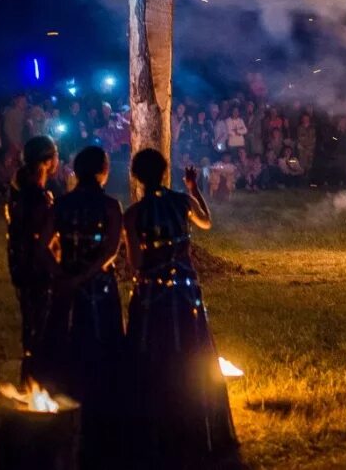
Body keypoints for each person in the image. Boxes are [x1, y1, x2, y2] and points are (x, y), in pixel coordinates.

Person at [123, 150, 237, 466]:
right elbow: (207, 222)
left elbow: (136, 263)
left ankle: (156, 411)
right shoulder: (181, 202)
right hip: (186, 291)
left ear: (136, 177)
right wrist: (193, 188)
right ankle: (191, 405)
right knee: (191, 346)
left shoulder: (133, 214)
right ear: (164, 173)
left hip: (152, 295)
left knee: (154, 348)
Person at [42, 147, 124, 465]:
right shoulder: (109, 206)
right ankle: (102, 401)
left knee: (68, 336)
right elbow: (110, 252)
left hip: (69, 285)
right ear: (104, 170)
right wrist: (86, 276)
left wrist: (63, 274)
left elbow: (42, 245)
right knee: (103, 342)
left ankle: (67, 389)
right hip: (100, 288)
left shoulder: (62, 204)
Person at [5, 136, 61, 385]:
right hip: (38, 270)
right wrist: (60, 270)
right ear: (48, 162)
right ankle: (36, 383)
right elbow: (41, 242)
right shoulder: (36, 197)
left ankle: (30, 380)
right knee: (41, 326)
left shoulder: (19, 191)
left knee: (32, 325)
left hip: (22, 266)